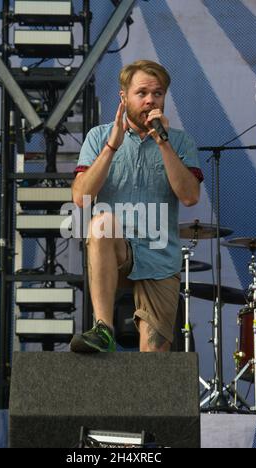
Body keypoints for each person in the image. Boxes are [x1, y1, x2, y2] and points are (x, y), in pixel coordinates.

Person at [70, 60, 204, 353]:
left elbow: (190, 196)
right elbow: (81, 197)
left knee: (154, 361)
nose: (150, 101)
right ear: (124, 97)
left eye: (157, 94)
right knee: (101, 223)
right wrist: (111, 147)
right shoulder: (98, 136)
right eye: (142, 93)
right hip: (116, 250)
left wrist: (163, 144)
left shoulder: (180, 142)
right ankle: (103, 329)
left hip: (159, 256)